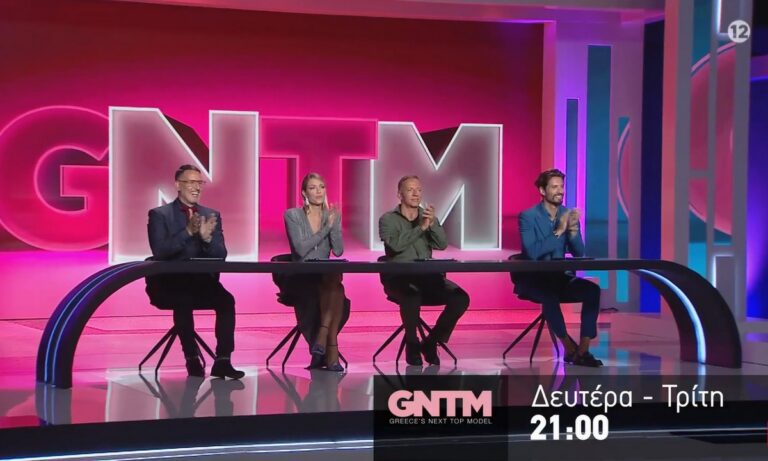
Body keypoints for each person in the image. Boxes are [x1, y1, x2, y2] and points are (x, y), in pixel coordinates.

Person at [146, 164, 245, 379]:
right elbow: (160, 252)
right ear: (178, 185)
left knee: (226, 300)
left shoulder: (211, 215)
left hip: (202, 282)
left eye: (199, 182)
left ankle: (223, 360)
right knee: (183, 300)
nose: (196, 187)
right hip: (170, 283)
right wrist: (188, 232)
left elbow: (221, 255)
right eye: (191, 182)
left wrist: (207, 240)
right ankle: (191, 358)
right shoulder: (159, 215)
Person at [515, 168, 603, 367]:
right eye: (554, 187)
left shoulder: (566, 215)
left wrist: (573, 229)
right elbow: (532, 252)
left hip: (561, 278)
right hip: (534, 280)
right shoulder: (528, 217)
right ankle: (569, 349)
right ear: (542, 190)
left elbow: (579, 252)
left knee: (592, 291)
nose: (560, 191)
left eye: (561, 187)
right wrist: (558, 231)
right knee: (549, 295)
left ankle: (583, 350)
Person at [378, 175, 470, 366]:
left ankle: (431, 342)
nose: (416, 194)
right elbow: (395, 245)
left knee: (460, 298)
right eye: (410, 190)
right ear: (399, 195)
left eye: (419, 190)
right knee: (411, 295)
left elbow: (442, 244)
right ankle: (412, 344)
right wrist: (421, 228)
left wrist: (432, 224)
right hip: (399, 278)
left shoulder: (427, 218)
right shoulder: (388, 219)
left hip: (428, 277)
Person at [284, 173, 346, 371]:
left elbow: (338, 251)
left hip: (324, 276)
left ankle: (322, 337)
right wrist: (326, 229)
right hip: (301, 276)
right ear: (304, 193)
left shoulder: (331, 216)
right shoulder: (293, 215)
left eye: (321, 187)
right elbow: (301, 250)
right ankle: (330, 347)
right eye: (313, 188)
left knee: (334, 285)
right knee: (335, 289)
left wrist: (335, 225)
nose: (318, 191)